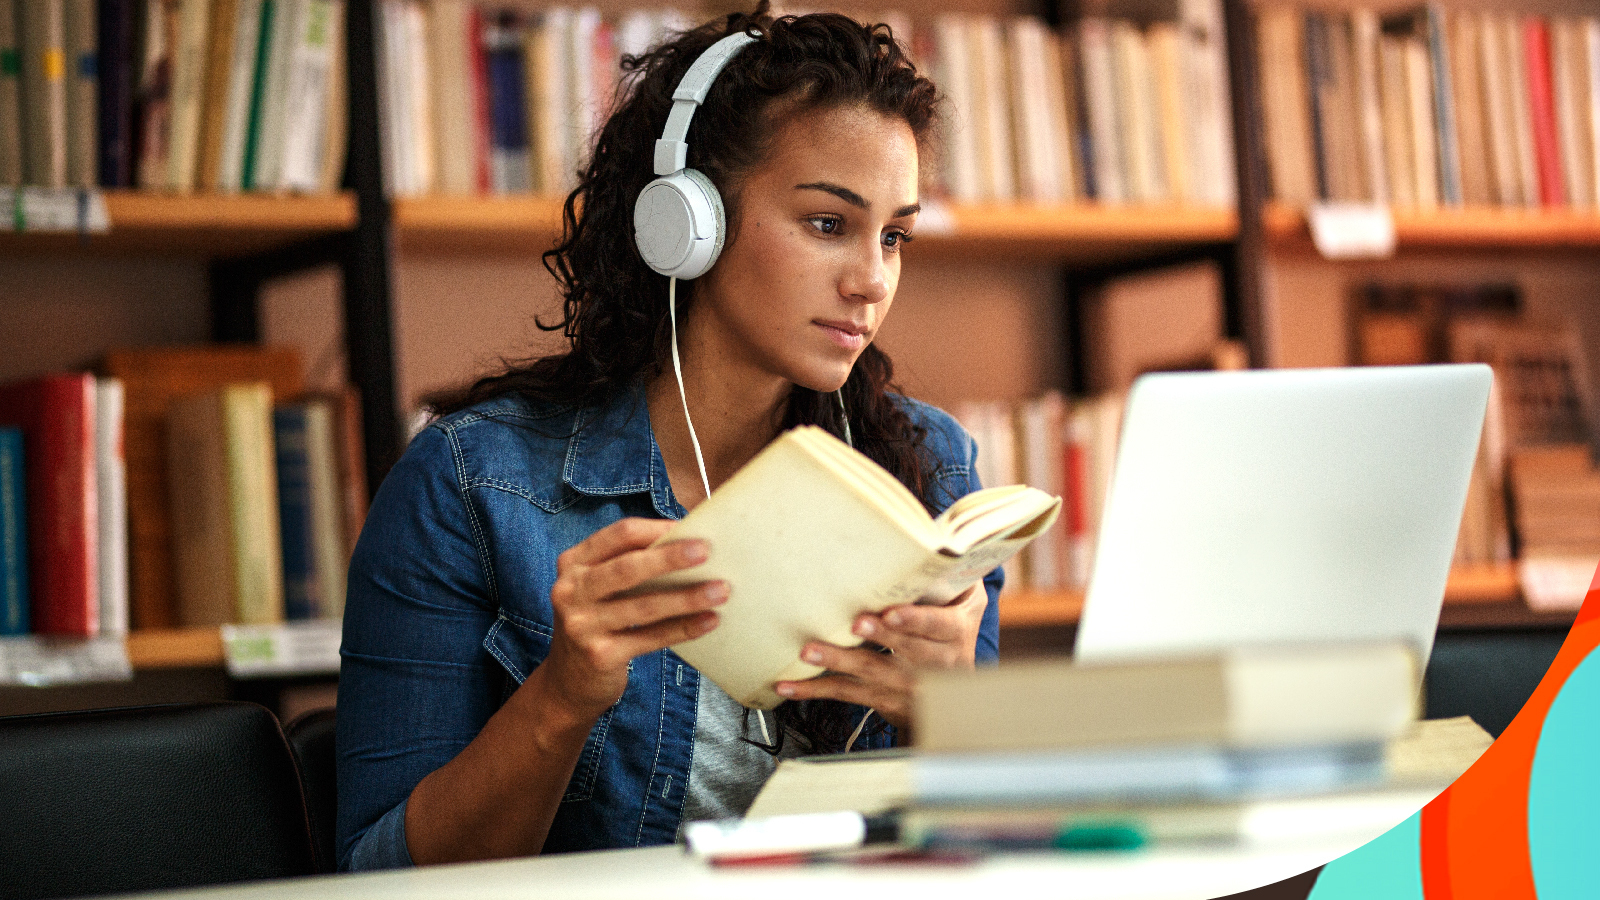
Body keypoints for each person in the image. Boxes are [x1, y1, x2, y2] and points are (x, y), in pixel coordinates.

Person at [335, 8, 1003, 871]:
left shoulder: (930, 470)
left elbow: (979, 855)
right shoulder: (469, 485)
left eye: (894, 235)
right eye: (828, 224)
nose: (871, 280)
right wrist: (563, 696)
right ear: (688, 223)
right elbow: (380, 875)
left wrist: (953, 718)